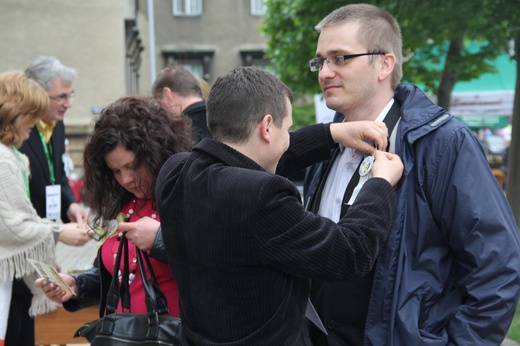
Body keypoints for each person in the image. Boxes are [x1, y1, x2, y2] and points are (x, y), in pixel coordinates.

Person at [304, 4, 520, 345]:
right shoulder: (325, 145)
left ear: (385, 65)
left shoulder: (442, 144)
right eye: (320, 61)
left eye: (340, 58)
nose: (325, 72)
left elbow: (498, 268)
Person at [155, 66, 404, 345]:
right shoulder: (261, 197)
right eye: (287, 129)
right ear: (267, 126)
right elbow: (350, 252)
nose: (288, 137)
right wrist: (380, 183)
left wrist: (331, 133)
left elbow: (244, 162)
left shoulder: (175, 173)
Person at [36, 96, 193, 321]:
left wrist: (160, 239)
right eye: (116, 171)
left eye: (132, 166)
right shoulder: (120, 202)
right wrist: (76, 287)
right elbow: (114, 276)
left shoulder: (187, 194)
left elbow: (212, 261)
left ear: (156, 154)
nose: (126, 179)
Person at [0, 71, 90, 346]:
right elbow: (9, 227)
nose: (37, 123)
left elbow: (20, 220)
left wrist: (44, 261)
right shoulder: (5, 160)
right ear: (17, 113)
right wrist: (57, 233)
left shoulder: (12, 156)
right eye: (33, 115)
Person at [152, 65, 212, 143]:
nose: (160, 109)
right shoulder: (222, 119)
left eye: (159, 102)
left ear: (168, 94)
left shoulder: (180, 133)